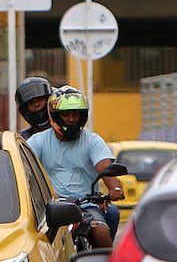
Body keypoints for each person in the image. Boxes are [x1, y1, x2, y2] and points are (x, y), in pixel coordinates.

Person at [27, 87, 124, 248]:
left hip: (87, 205)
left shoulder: (92, 140)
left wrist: (115, 188)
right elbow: (25, 168)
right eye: (66, 115)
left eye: (76, 114)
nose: (71, 119)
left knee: (101, 231)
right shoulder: (37, 141)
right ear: (55, 116)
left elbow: (105, 168)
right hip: (51, 209)